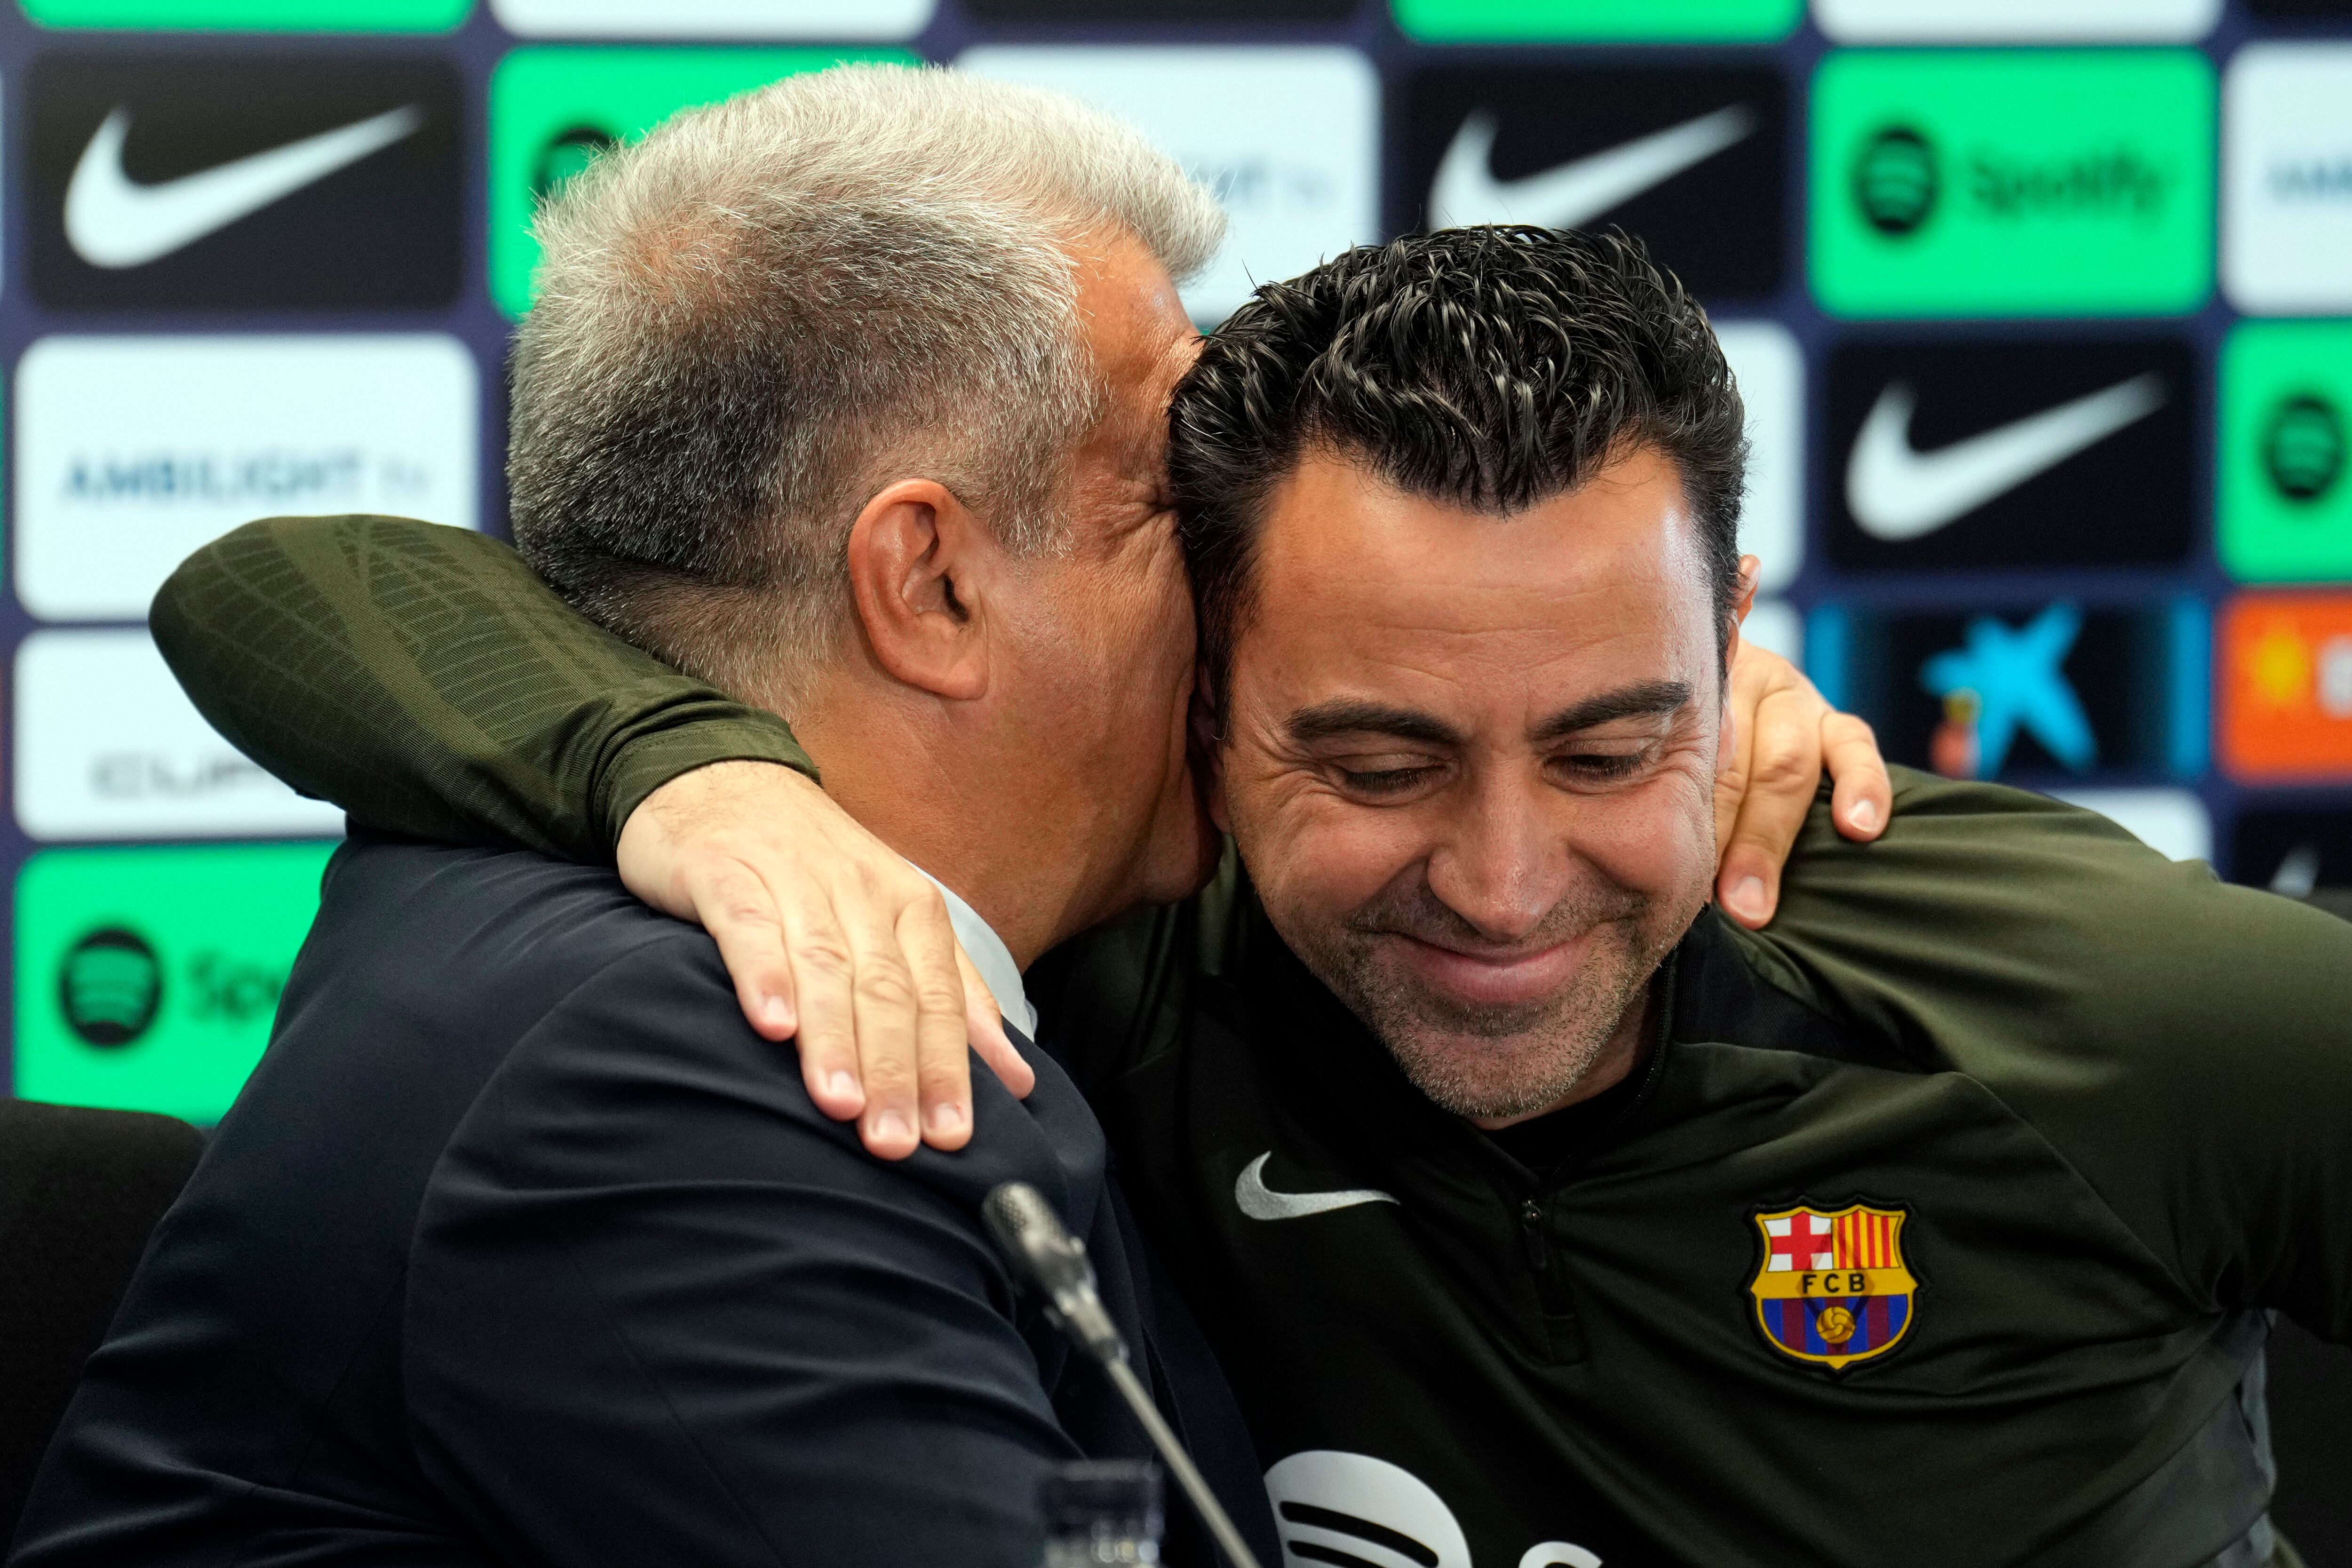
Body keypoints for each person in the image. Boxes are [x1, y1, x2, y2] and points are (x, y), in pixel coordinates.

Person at [142, 221, 2352, 1568]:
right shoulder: (1074, 982)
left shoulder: (2110, 1008)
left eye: (1606, 742)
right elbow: (291, 584)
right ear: (1204, 700)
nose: (1499, 885)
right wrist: (705, 786)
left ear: (1731, 638)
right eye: (1374, 760)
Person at [9, 73, 1863, 1568]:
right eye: (1172, 498)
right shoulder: (692, 1074)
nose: (1249, 581)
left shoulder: (666, 923)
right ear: (934, 587)